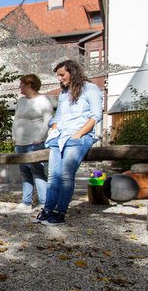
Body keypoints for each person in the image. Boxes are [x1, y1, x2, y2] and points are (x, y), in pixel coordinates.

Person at [33, 60, 103, 225]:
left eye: (62, 75)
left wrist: (78, 134)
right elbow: (58, 116)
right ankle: (48, 209)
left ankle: (60, 212)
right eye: (57, 75)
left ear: (73, 72)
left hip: (79, 136)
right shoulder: (64, 93)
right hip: (59, 137)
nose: (59, 78)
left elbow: (96, 115)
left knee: (65, 175)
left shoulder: (90, 89)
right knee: (53, 176)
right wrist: (55, 128)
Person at [12, 74, 54, 210]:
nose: (20, 87)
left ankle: (43, 202)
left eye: (22, 85)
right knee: (25, 172)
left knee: (38, 171)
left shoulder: (44, 100)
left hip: (34, 143)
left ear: (30, 85)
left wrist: (40, 138)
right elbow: (16, 119)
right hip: (20, 143)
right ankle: (26, 201)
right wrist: (14, 136)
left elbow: (48, 120)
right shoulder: (21, 101)